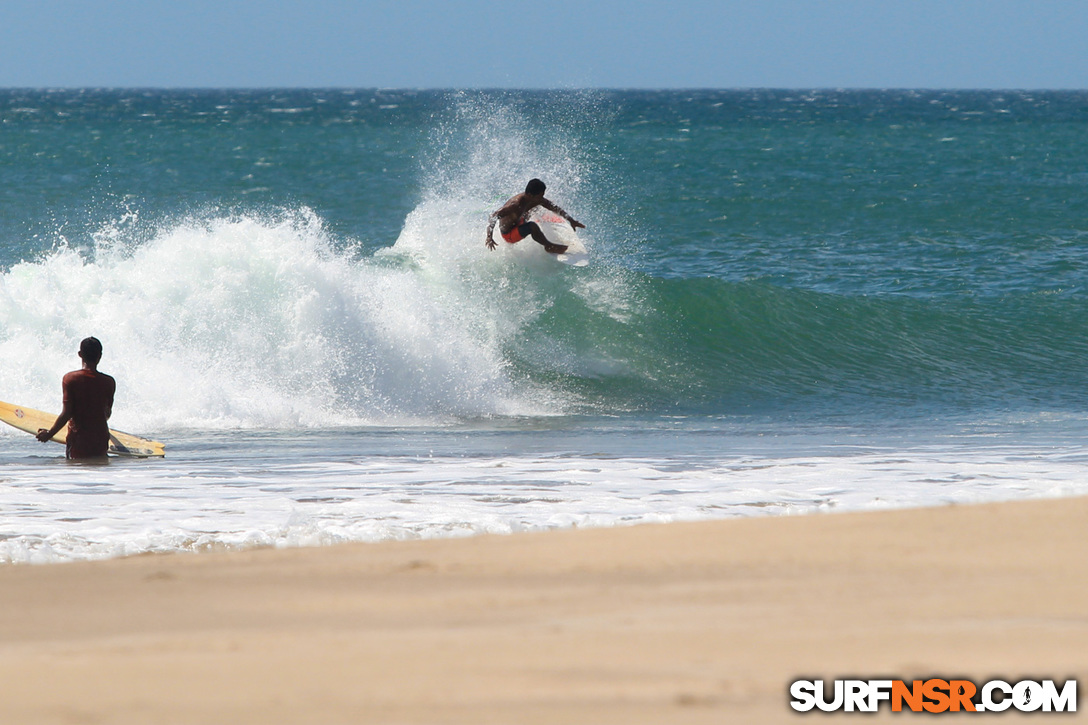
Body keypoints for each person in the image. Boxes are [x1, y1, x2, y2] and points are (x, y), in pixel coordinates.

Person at [37, 337, 116, 460]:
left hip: (79, 441)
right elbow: (106, 414)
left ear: (80, 354)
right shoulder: (109, 382)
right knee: (99, 473)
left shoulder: (70, 379)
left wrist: (49, 434)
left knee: (77, 473)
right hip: (101, 440)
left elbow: (67, 413)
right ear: (100, 355)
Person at [485, 178, 585, 254]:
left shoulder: (533, 199)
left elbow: (553, 207)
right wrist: (489, 237)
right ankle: (548, 246)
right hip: (509, 234)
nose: (542, 198)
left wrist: (571, 220)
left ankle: (538, 226)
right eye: (540, 196)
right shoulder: (514, 205)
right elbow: (493, 216)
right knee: (532, 226)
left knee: (540, 206)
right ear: (529, 195)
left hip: (519, 221)